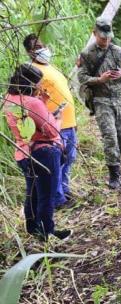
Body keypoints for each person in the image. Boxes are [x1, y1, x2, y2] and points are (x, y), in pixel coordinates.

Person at [3, 64, 72, 240]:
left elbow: (30, 124)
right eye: (38, 83)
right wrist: (56, 118)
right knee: (46, 196)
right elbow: (51, 131)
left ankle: (33, 228)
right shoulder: (32, 102)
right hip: (44, 152)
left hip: (24, 151)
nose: (39, 87)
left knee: (32, 192)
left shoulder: (9, 99)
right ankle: (47, 233)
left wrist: (43, 103)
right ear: (31, 83)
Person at [77, 17, 121, 189]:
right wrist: (99, 79)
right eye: (102, 37)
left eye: (108, 37)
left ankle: (118, 163)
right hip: (101, 100)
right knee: (110, 137)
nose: (106, 40)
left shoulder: (119, 51)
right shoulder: (87, 54)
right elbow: (82, 78)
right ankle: (114, 174)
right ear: (95, 34)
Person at [23, 34, 78, 208]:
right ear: (29, 52)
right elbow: (31, 100)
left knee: (67, 160)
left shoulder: (51, 68)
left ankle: (63, 191)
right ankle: (57, 199)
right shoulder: (31, 71)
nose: (41, 50)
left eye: (42, 45)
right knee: (55, 162)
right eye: (36, 48)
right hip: (54, 126)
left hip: (68, 123)